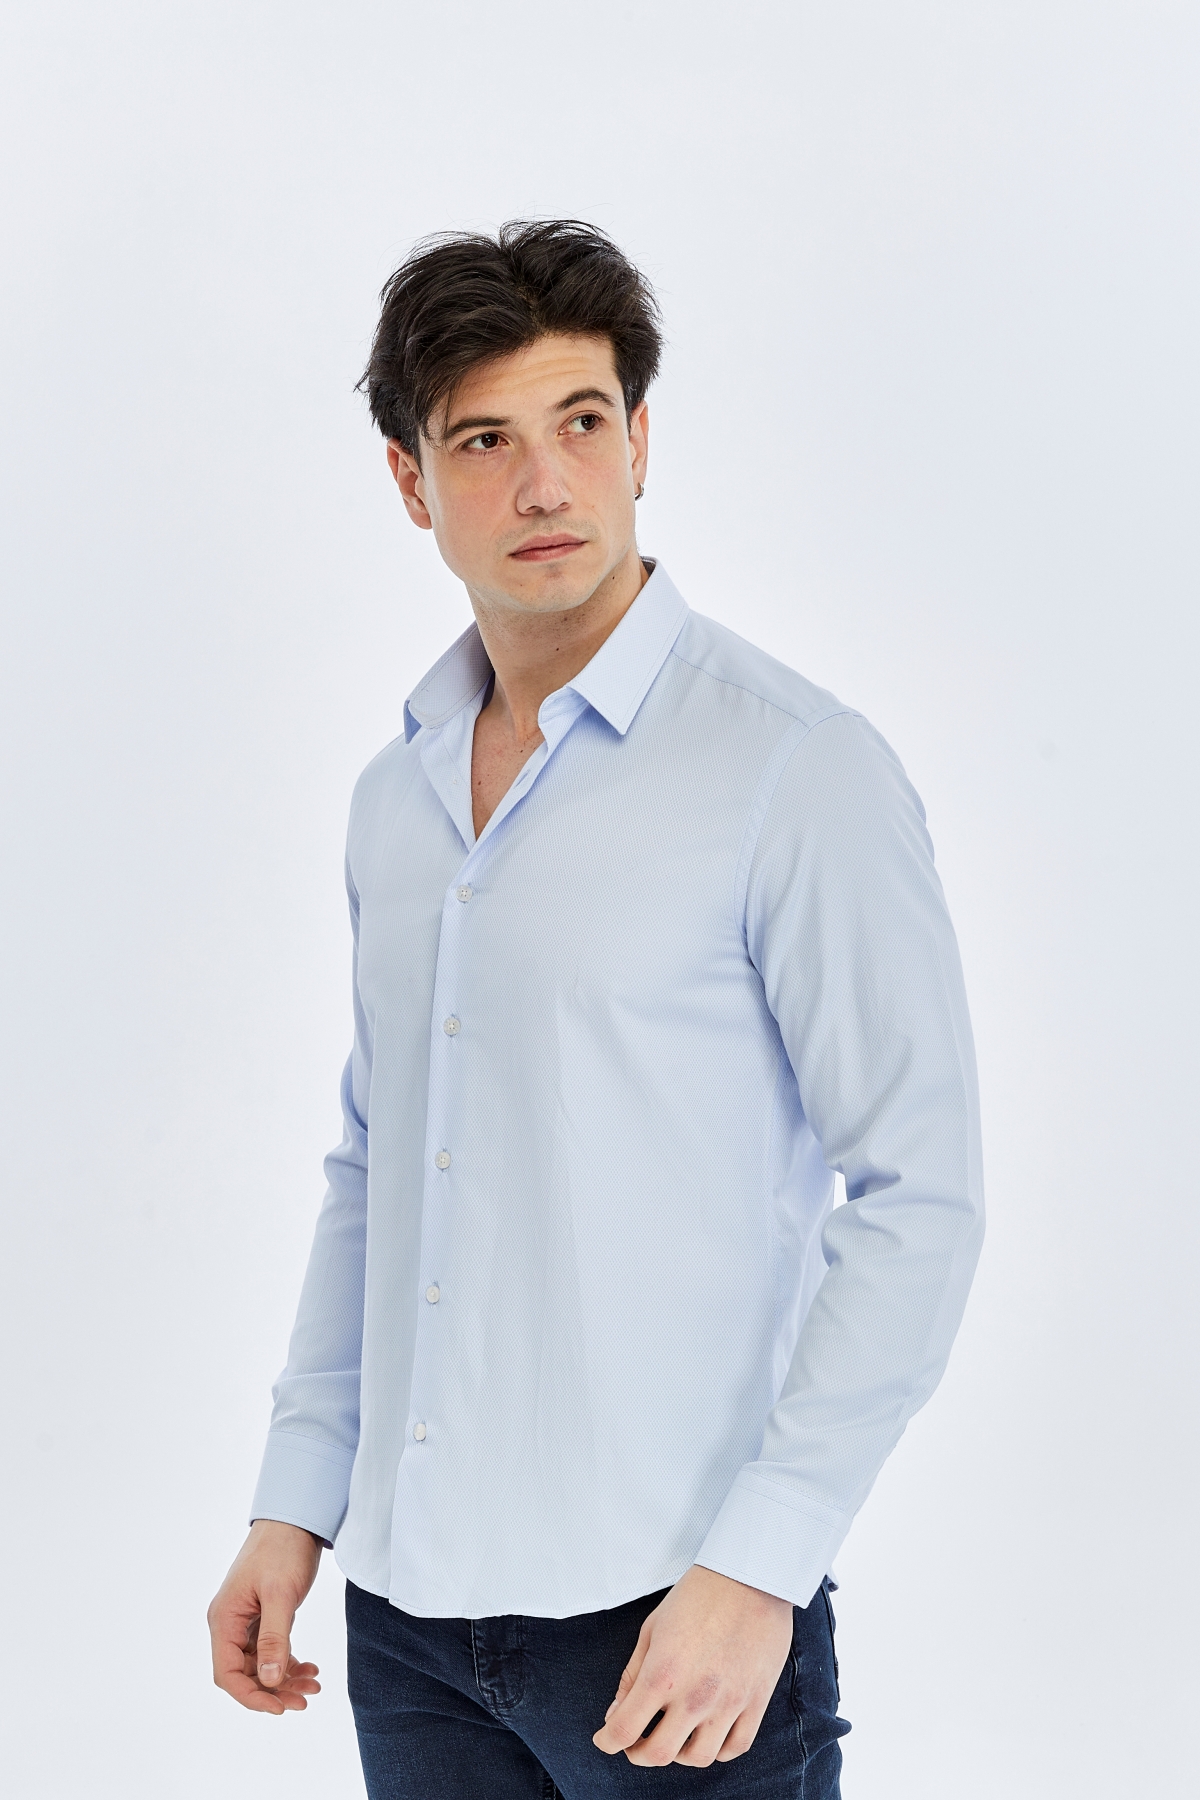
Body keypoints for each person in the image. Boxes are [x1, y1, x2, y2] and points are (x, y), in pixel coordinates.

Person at [207, 219, 984, 1798]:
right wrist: (296, 1498)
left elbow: (923, 1196)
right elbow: (376, 1168)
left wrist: (762, 1564)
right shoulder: (396, 800)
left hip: (676, 1622)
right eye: (484, 441)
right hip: (407, 1627)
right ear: (412, 483)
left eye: (579, 422)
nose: (545, 484)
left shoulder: (792, 768)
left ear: (641, 440)